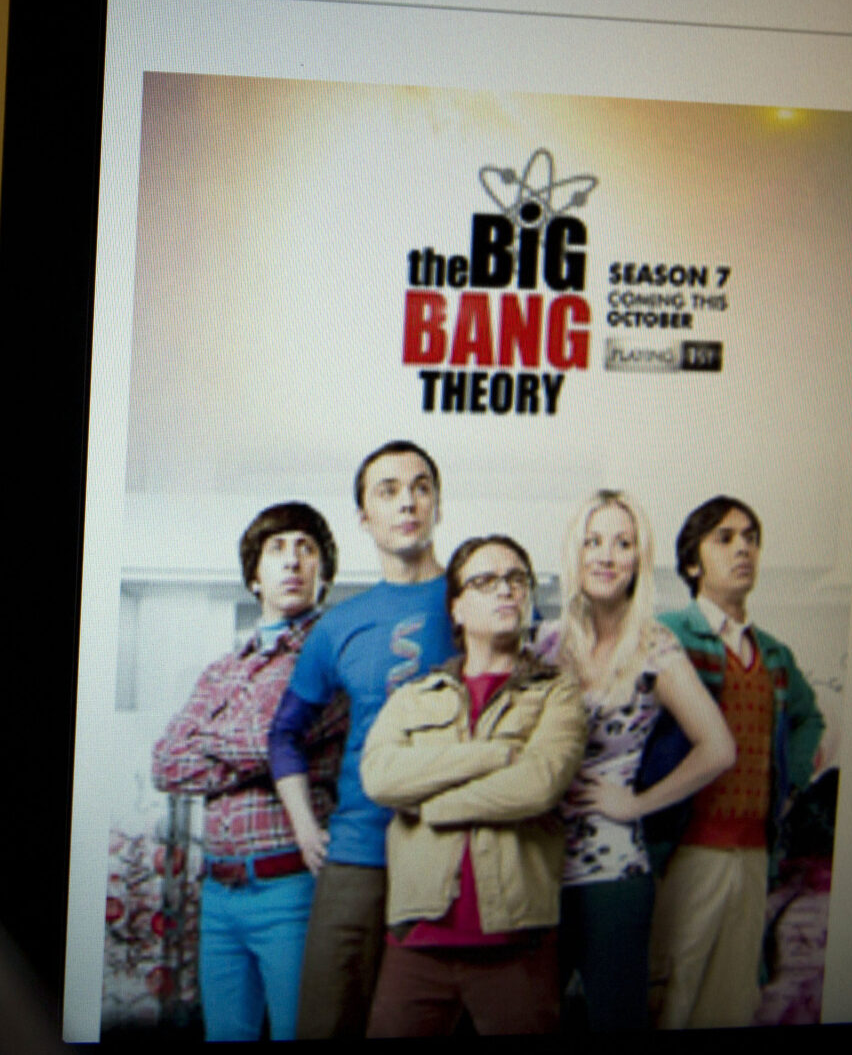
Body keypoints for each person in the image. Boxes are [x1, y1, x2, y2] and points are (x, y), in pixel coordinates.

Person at [358, 535, 586, 1036]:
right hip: (417, 939)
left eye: (517, 579)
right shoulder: (415, 696)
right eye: (486, 581)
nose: (506, 590)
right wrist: (493, 754)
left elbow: (538, 785)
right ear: (457, 608)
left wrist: (432, 806)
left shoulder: (557, 692)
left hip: (516, 941)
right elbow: (380, 776)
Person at [529, 490, 735, 1032]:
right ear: (575, 553)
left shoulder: (654, 646)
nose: (606, 556)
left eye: (623, 544)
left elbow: (719, 748)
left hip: (613, 872)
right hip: (537, 868)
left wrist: (637, 804)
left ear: (639, 559)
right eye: (593, 541)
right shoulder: (545, 644)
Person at [268, 441, 453, 1039]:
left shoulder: (475, 600)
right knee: (326, 1024)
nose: (408, 502)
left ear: (438, 505)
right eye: (388, 491)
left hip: (452, 854)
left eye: (421, 487)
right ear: (364, 517)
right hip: (356, 856)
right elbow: (284, 733)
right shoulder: (340, 624)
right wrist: (305, 826)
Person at [150, 502, 348, 1041]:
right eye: (277, 549)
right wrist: (253, 748)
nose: (293, 561)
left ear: (323, 572)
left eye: (306, 549)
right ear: (255, 577)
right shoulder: (222, 670)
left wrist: (213, 739)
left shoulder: (330, 656)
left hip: (292, 889)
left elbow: (268, 741)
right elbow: (166, 763)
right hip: (219, 895)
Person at [650, 495, 827, 1029]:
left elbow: (809, 718)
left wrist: (790, 782)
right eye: (724, 539)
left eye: (750, 538)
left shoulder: (773, 653)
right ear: (692, 564)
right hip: (684, 852)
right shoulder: (669, 634)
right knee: (669, 997)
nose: (743, 548)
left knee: (730, 1004)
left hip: (753, 854)